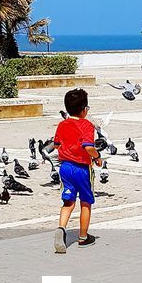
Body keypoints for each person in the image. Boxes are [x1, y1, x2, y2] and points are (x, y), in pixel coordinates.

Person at [53, 87, 102, 252]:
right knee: (86, 202)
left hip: (65, 168)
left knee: (68, 202)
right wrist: (96, 157)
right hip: (82, 169)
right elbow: (88, 147)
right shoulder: (87, 125)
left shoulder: (62, 124)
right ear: (83, 110)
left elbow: (57, 144)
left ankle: (61, 229)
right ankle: (83, 237)